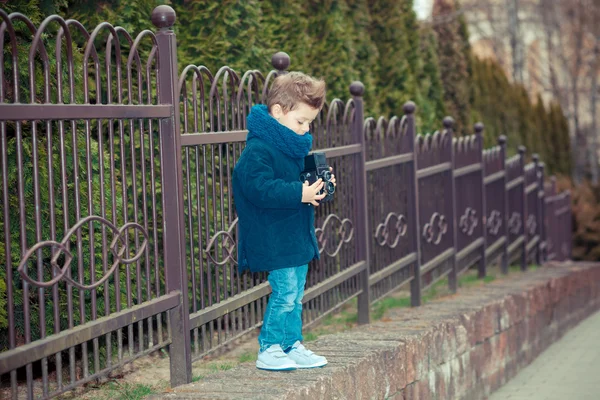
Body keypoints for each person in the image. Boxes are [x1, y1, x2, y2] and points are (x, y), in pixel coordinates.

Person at [232, 71, 335, 371]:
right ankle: (270, 346)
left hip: (295, 237)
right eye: (300, 121)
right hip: (275, 237)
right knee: (286, 293)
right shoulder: (258, 150)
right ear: (278, 111)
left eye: (309, 124)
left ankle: (291, 344)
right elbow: (259, 188)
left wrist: (318, 188)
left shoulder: (292, 148)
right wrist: (298, 192)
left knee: (296, 295)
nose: (305, 130)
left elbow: (298, 188)